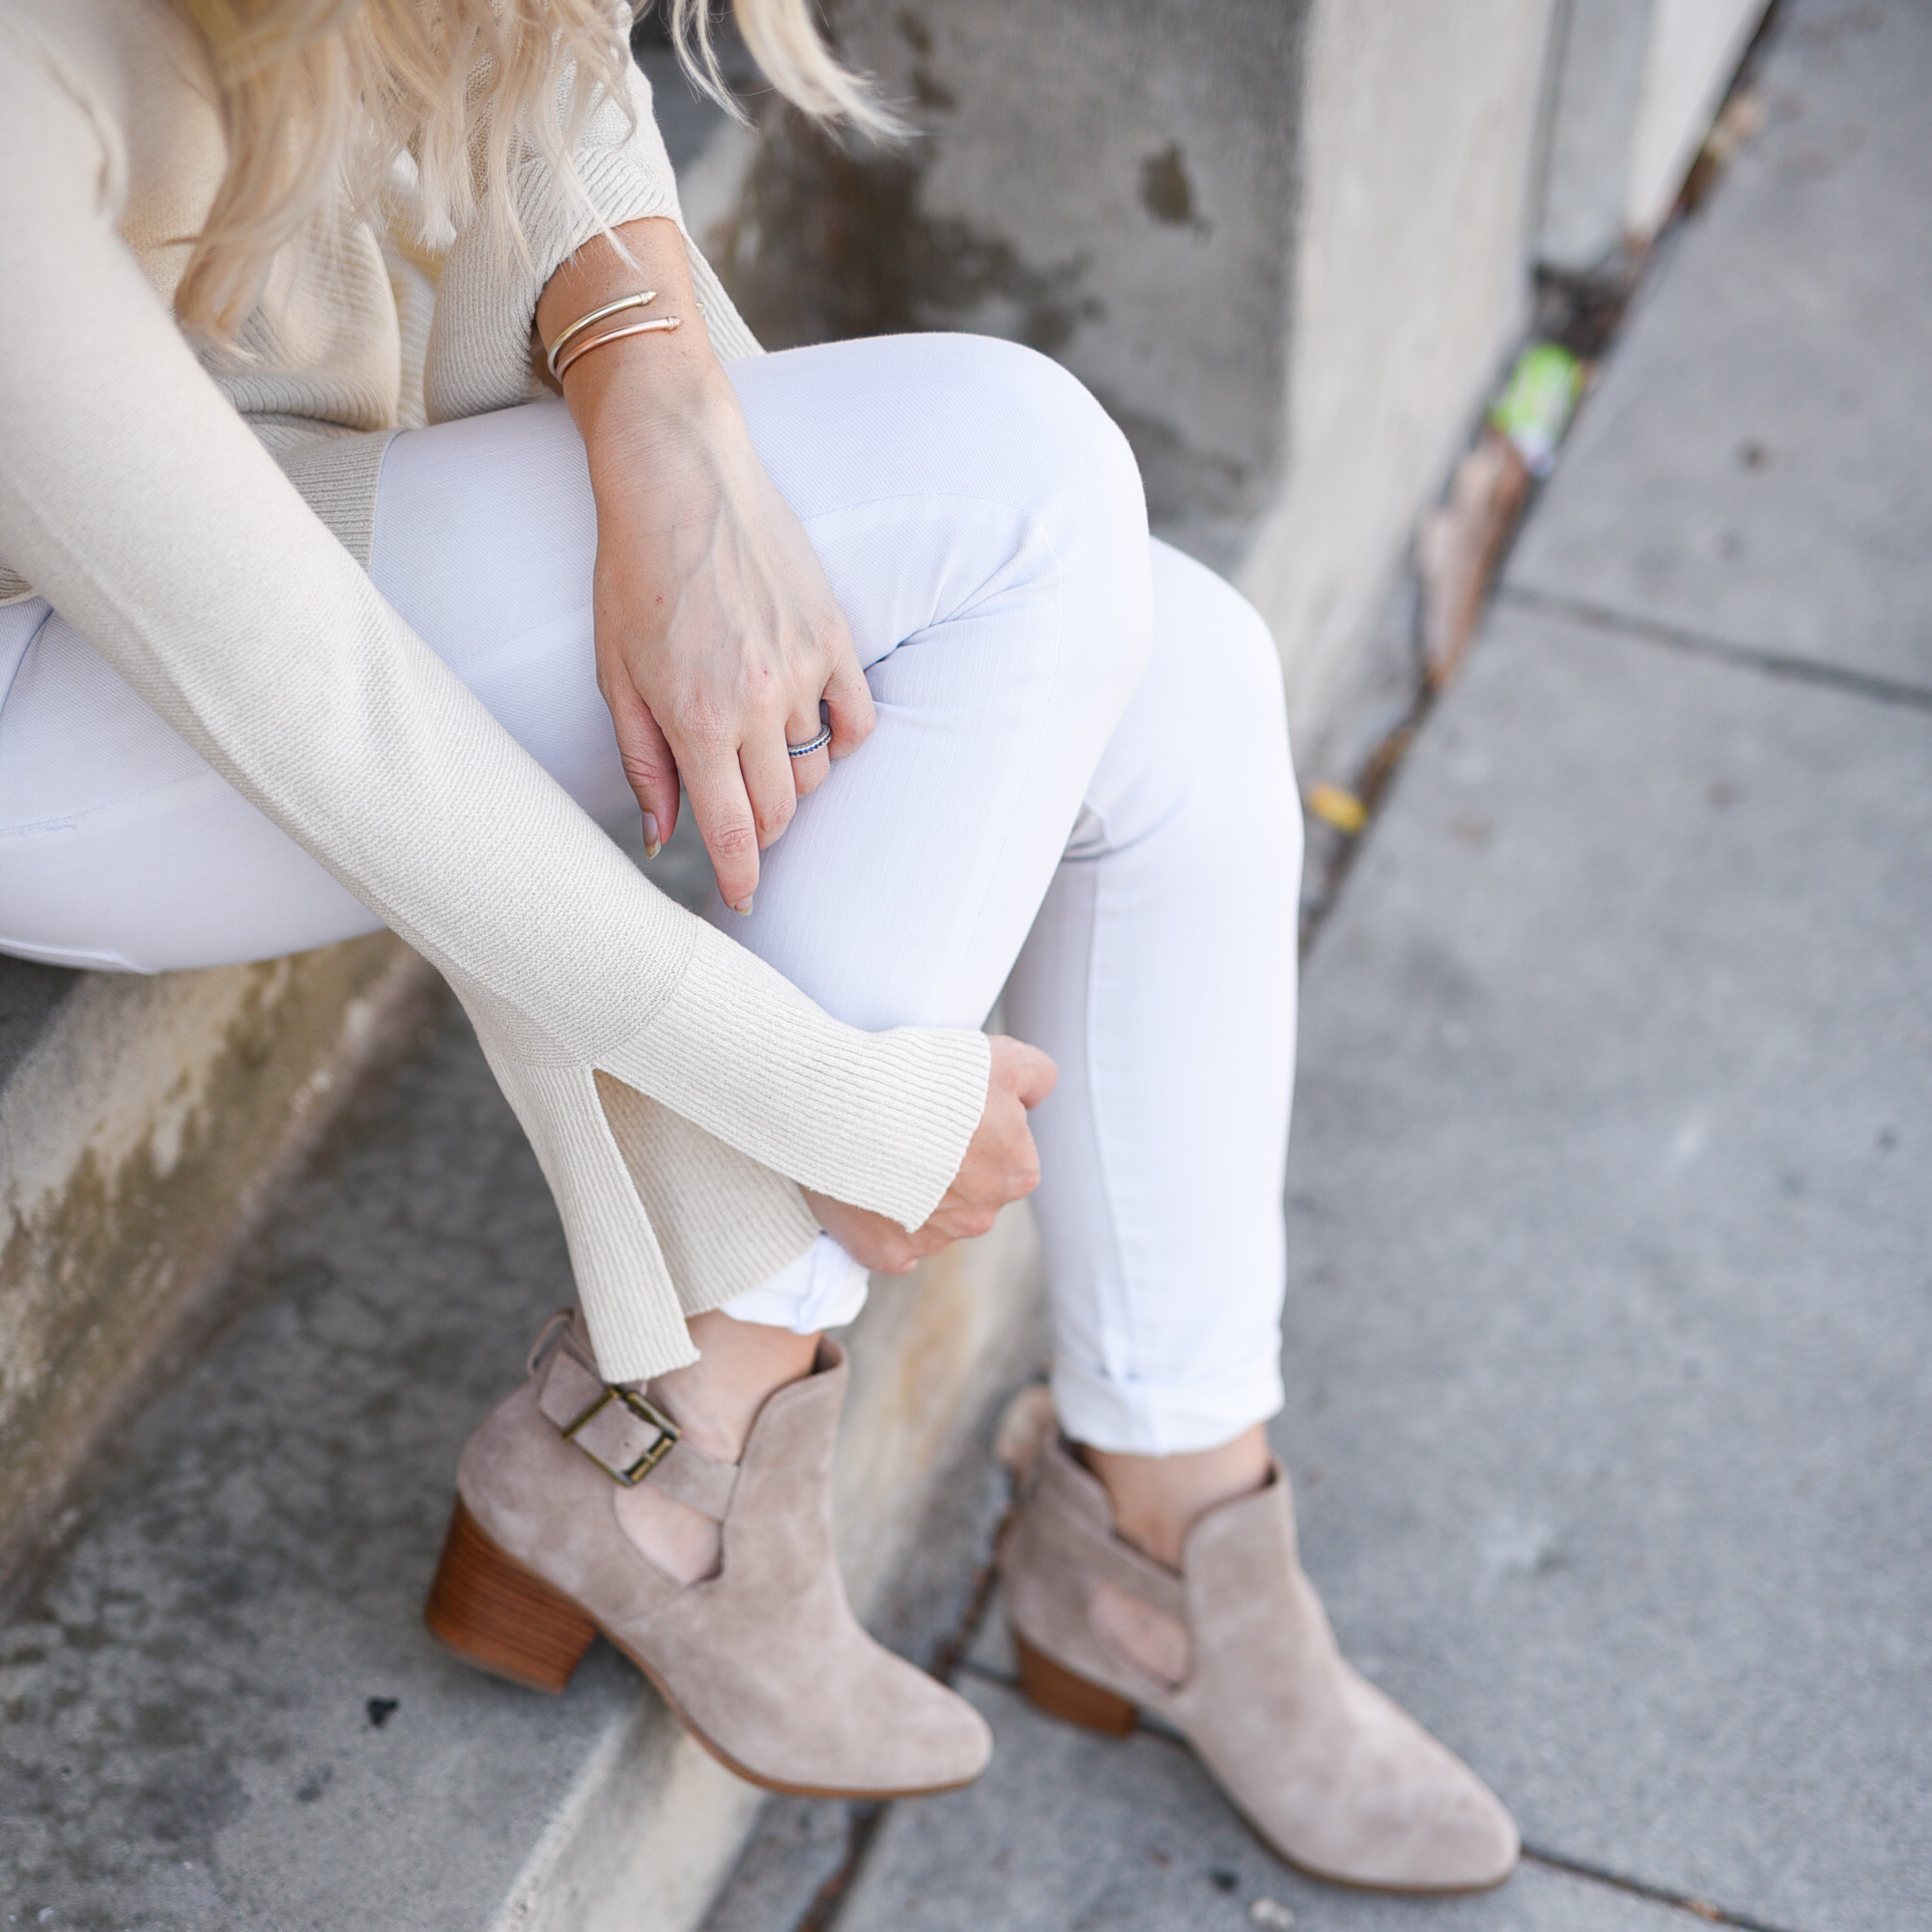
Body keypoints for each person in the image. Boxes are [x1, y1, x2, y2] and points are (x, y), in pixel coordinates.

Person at [0, 0, 1517, 1893]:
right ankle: (674, 1449)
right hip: (54, 685)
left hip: (267, 455)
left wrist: (664, 407)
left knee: (1182, 657)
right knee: (1021, 484)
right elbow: (337, 727)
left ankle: (1169, 1522)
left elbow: (533, 83)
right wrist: (840, 1106)